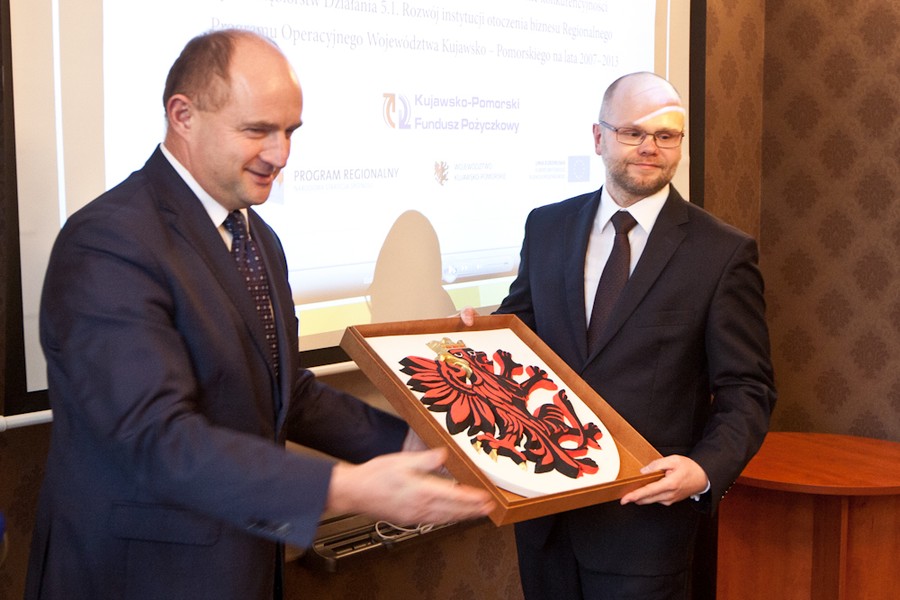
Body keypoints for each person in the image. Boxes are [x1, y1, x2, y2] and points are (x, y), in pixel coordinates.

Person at [25, 29, 492, 600]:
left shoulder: (258, 239)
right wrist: (343, 488)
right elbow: (154, 437)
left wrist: (412, 447)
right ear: (182, 115)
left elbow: (285, 393)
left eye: (290, 131)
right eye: (257, 131)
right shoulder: (108, 241)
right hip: (138, 574)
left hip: (239, 564)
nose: (280, 155)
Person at [481, 72, 776, 598]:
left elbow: (747, 389)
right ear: (599, 138)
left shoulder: (722, 253)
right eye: (633, 132)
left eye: (666, 135)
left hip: (646, 528)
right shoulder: (546, 227)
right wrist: (474, 340)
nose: (649, 147)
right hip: (545, 516)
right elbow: (518, 337)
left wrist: (704, 469)